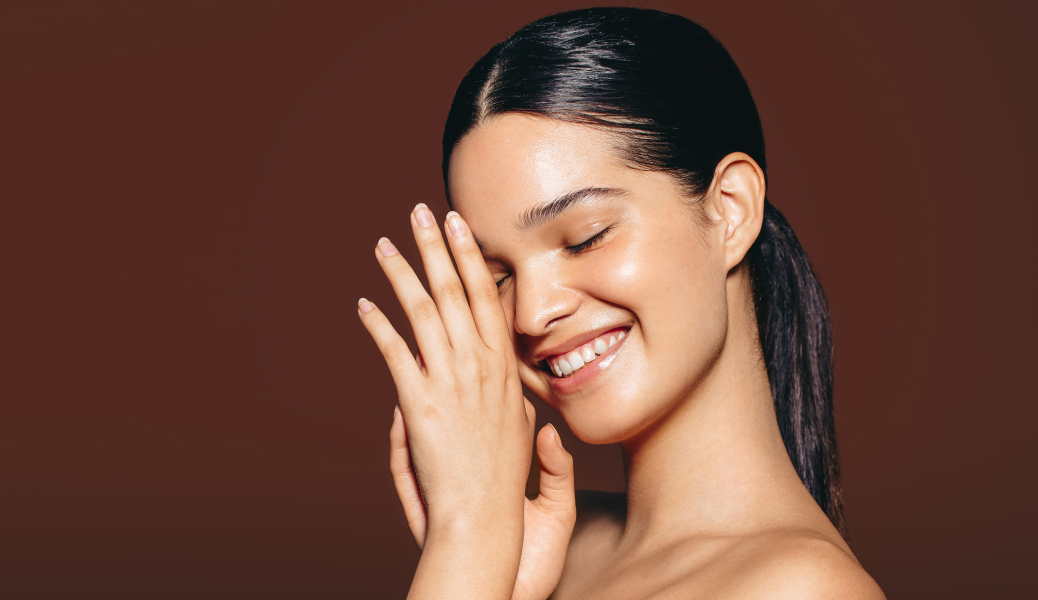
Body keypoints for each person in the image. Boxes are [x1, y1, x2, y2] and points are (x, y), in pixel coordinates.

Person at [355, 7, 885, 599]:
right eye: (497, 276)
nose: (530, 314)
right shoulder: (533, 547)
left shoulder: (800, 589)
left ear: (729, 211)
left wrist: (466, 543)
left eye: (585, 238)